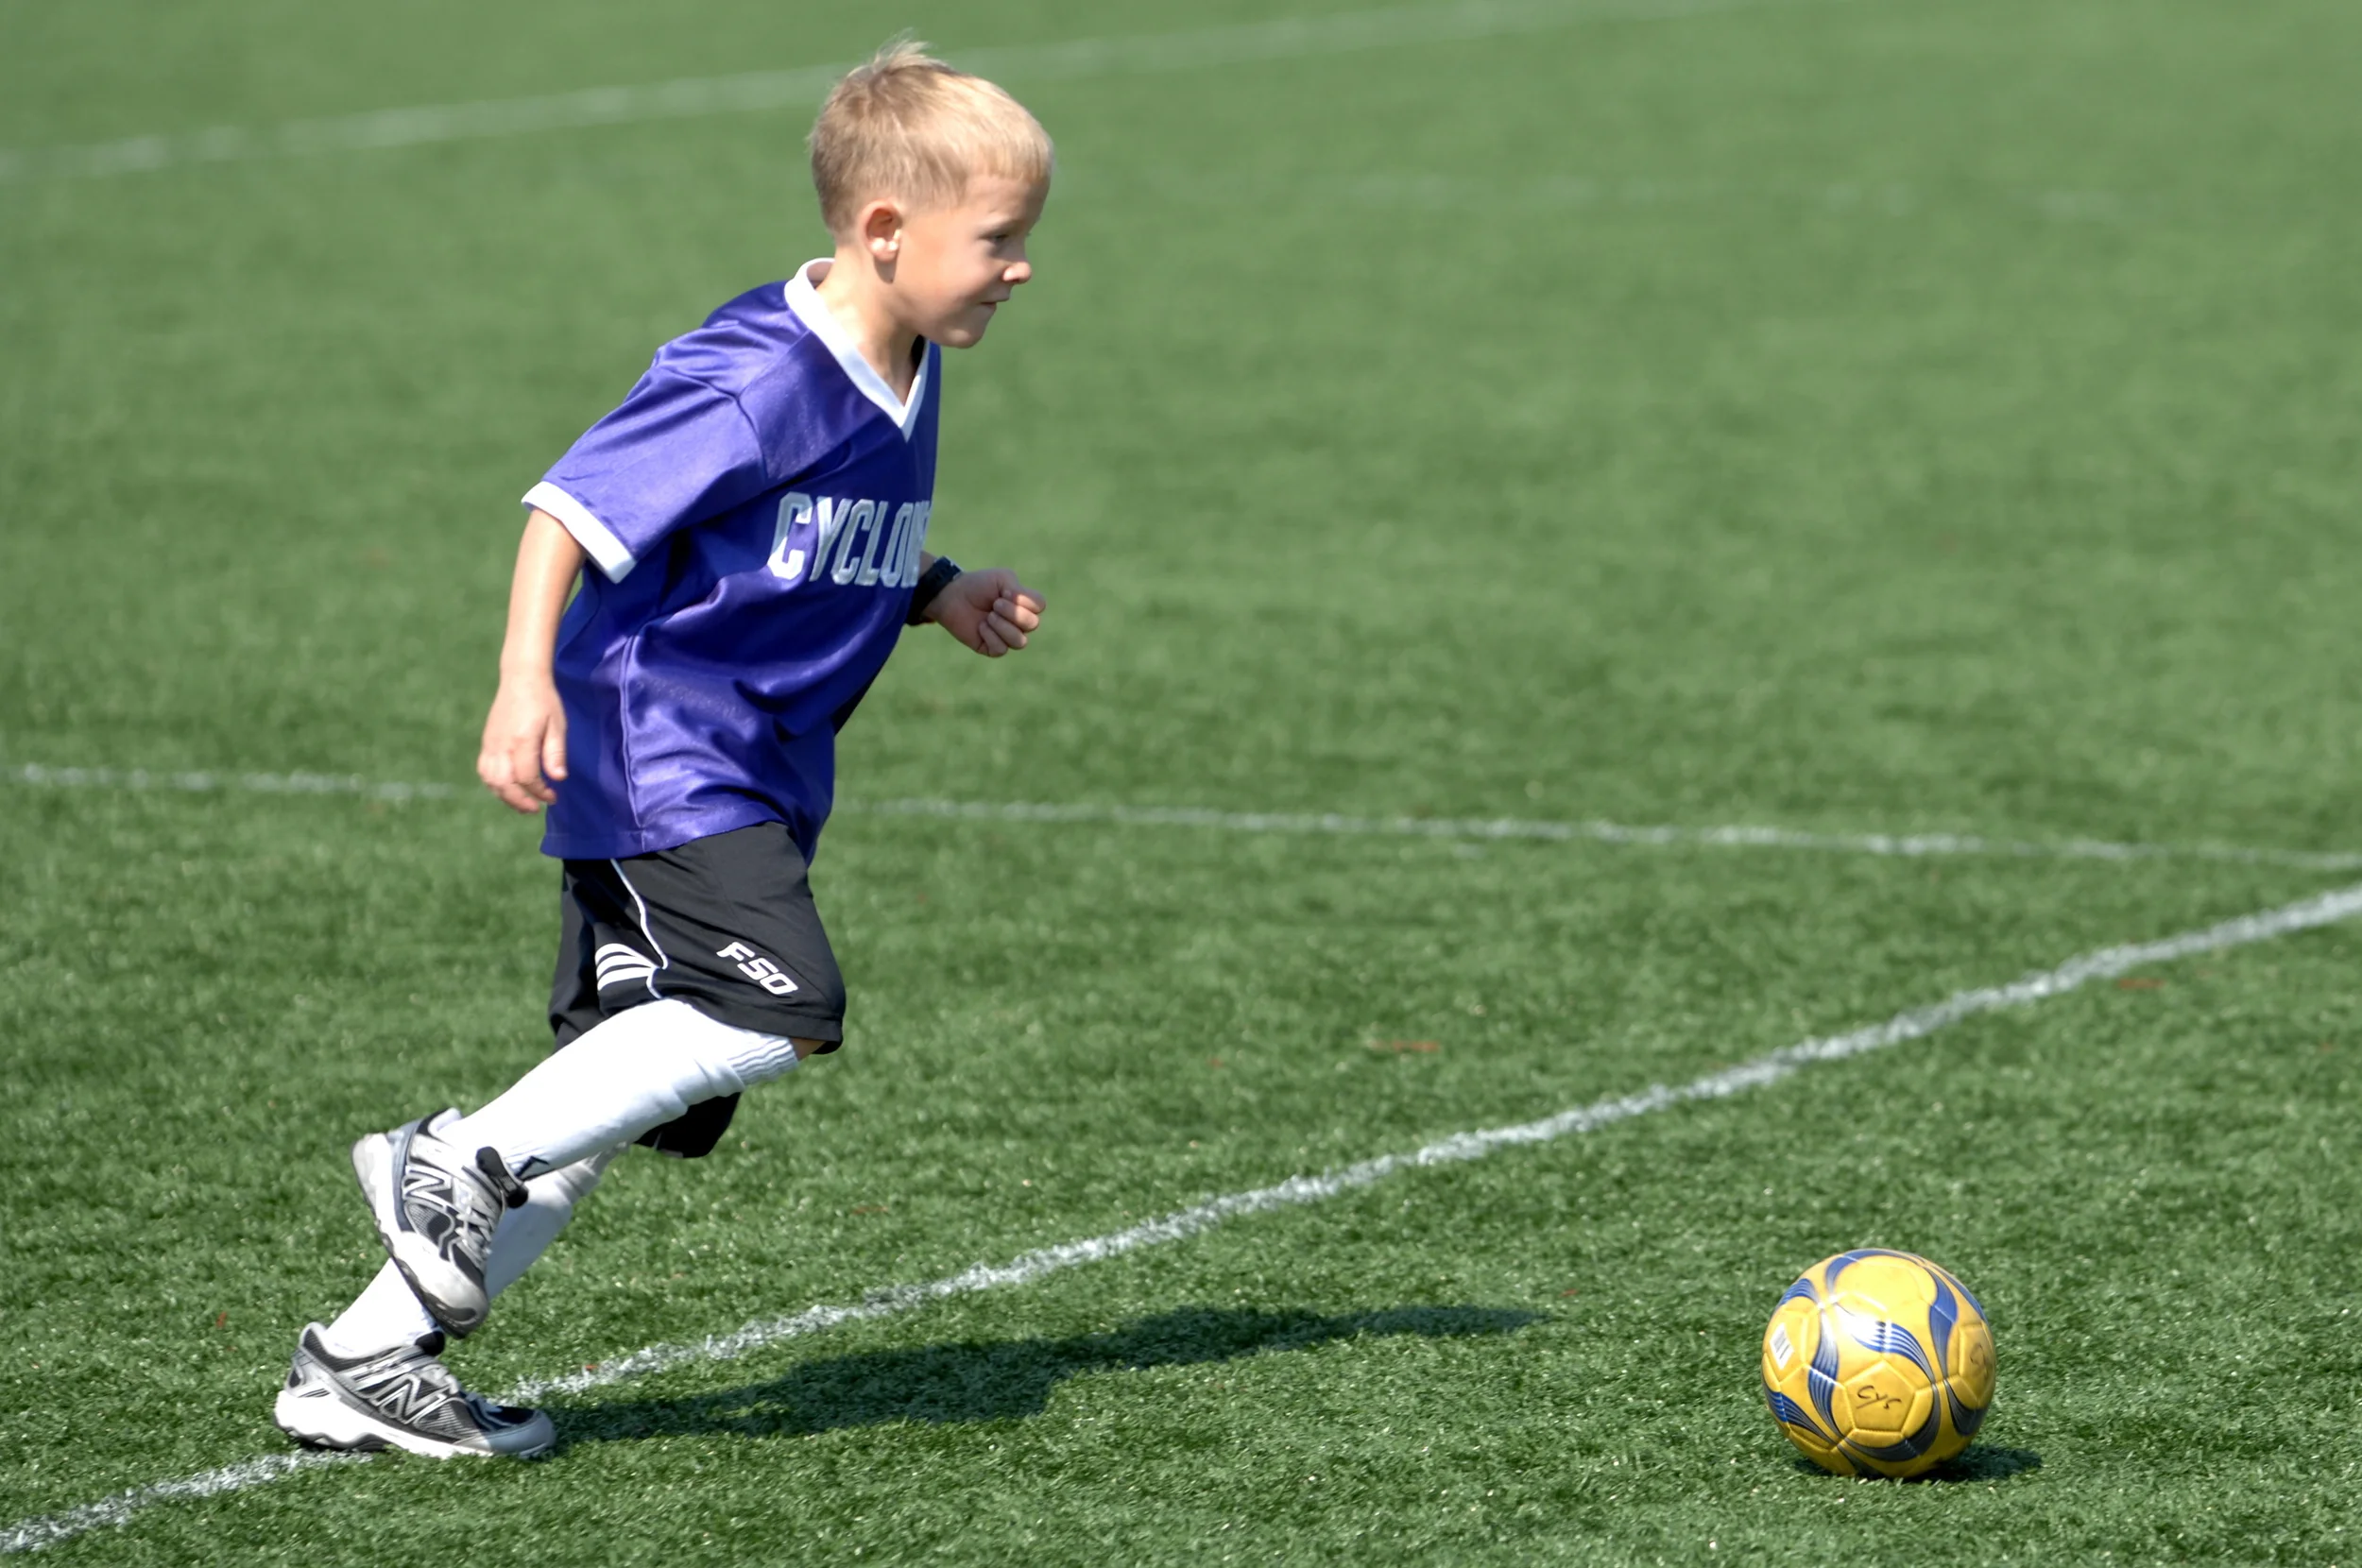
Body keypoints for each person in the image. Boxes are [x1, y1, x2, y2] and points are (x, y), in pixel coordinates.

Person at [271, 41, 1052, 1459]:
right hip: (659, 749)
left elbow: (796, 537)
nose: (1018, 268)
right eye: (997, 240)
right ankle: (455, 1155)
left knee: (621, 1099)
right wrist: (524, 686)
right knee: (776, 1005)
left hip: (749, 767)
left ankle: (367, 1361)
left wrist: (936, 590)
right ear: (886, 233)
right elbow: (569, 508)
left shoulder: (909, 354)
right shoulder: (756, 373)